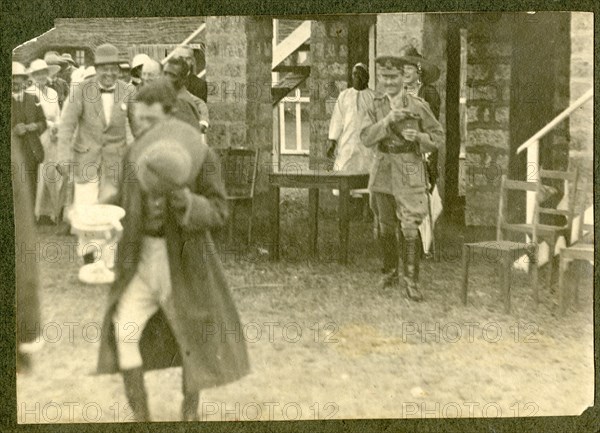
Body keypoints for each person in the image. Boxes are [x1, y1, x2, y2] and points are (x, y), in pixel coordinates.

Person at [96, 79, 250, 421]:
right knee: (124, 329)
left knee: (191, 337)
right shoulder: (132, 155)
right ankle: (142, 417)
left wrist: (186, 201)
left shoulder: (200, 155)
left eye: (152, 122)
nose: (143, 130)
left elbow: (220, 210)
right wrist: (97, 213)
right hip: (141, 258)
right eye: (138, 122)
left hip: (184, 260)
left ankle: (190, 411)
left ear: (172, 117)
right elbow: (121, 200)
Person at [361, 54, 444, 301]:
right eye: (385, 77)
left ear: (403, 77)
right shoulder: (375, 106)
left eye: (394, 77)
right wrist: (387, 121)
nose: (389, 82)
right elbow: (365, 137)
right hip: (384, 167)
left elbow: (438, 137)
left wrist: (418, 138)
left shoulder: (418, 106)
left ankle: (411, 281)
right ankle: (390, 272)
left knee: (410, 226)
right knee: (385, 224)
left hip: (410, 166)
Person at [56, 43, 133, 263]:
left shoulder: (128, 91)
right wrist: (63, 157)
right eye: (104, 68)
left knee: (110, 210)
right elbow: (66, 126)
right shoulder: (81, 90)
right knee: (86, 209)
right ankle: (89, 257)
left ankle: (108, 260)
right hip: (85, 159)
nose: (109, 73)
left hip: (115, 161)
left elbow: (137, 127)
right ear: (96, 69)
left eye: (113, 68)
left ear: (119, 70)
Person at [25, 59, 65, 223]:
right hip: (38, 137)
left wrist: (57, 127)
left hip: (55, 136)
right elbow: (32, 118)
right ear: (33, 76)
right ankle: (38, 213)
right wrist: (49, 126)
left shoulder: (53, 93)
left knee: (55, 173)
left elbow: (58, 114)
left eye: (43, 73)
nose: (41, 76)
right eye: (37, 74)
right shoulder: (30, 93)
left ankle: (53, 212)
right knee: (42, 172)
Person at [12, 62, 47, 207]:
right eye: (13, 81)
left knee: (32, 184)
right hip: (13, 152)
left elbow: (43, 122)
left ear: (25, 81)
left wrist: (36, 126)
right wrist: (13, 131)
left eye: (19, 80)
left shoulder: (33, 99)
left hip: (32, 150)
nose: (16, 84)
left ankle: (31, 218)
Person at [163, 57, 209, 133]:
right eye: (165, 73)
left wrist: (203, 122)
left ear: (183, 79)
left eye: (172, 75)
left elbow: (200, 103)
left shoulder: (184, 99)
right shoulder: (158, 89)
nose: (167, 78)